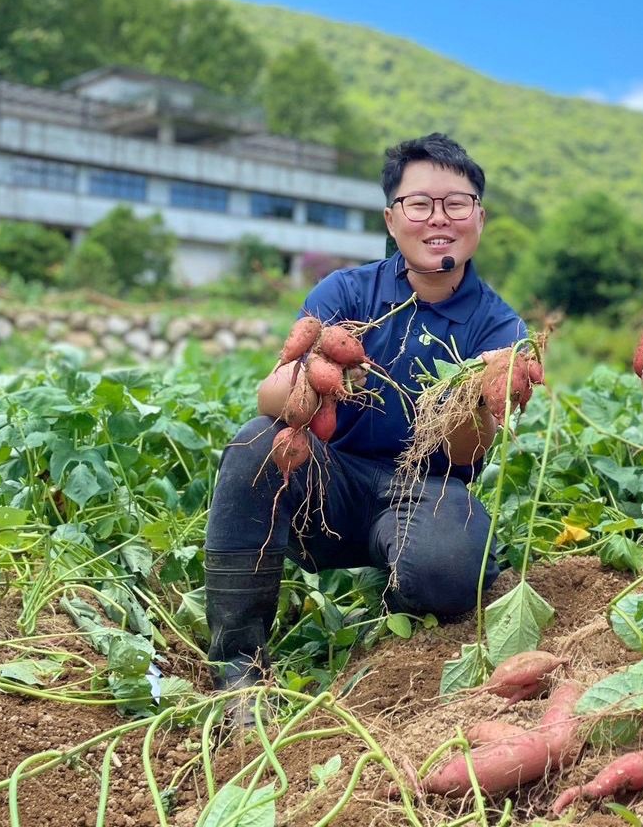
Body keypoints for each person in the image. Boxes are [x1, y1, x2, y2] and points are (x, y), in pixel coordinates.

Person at [203, 133, 525, 694]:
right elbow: (270, 399)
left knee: (449, 571)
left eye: (456, 203)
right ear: (391, 218)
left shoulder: (499, 330)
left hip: (428, 488)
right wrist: (318, 374)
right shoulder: (345, 293)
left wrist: (470, 398)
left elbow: (469, 452)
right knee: (257, 442)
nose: (437, 219)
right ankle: (238, 664)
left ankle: (392, 606)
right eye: (419, 204)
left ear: (479, 217)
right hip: (333, 477)